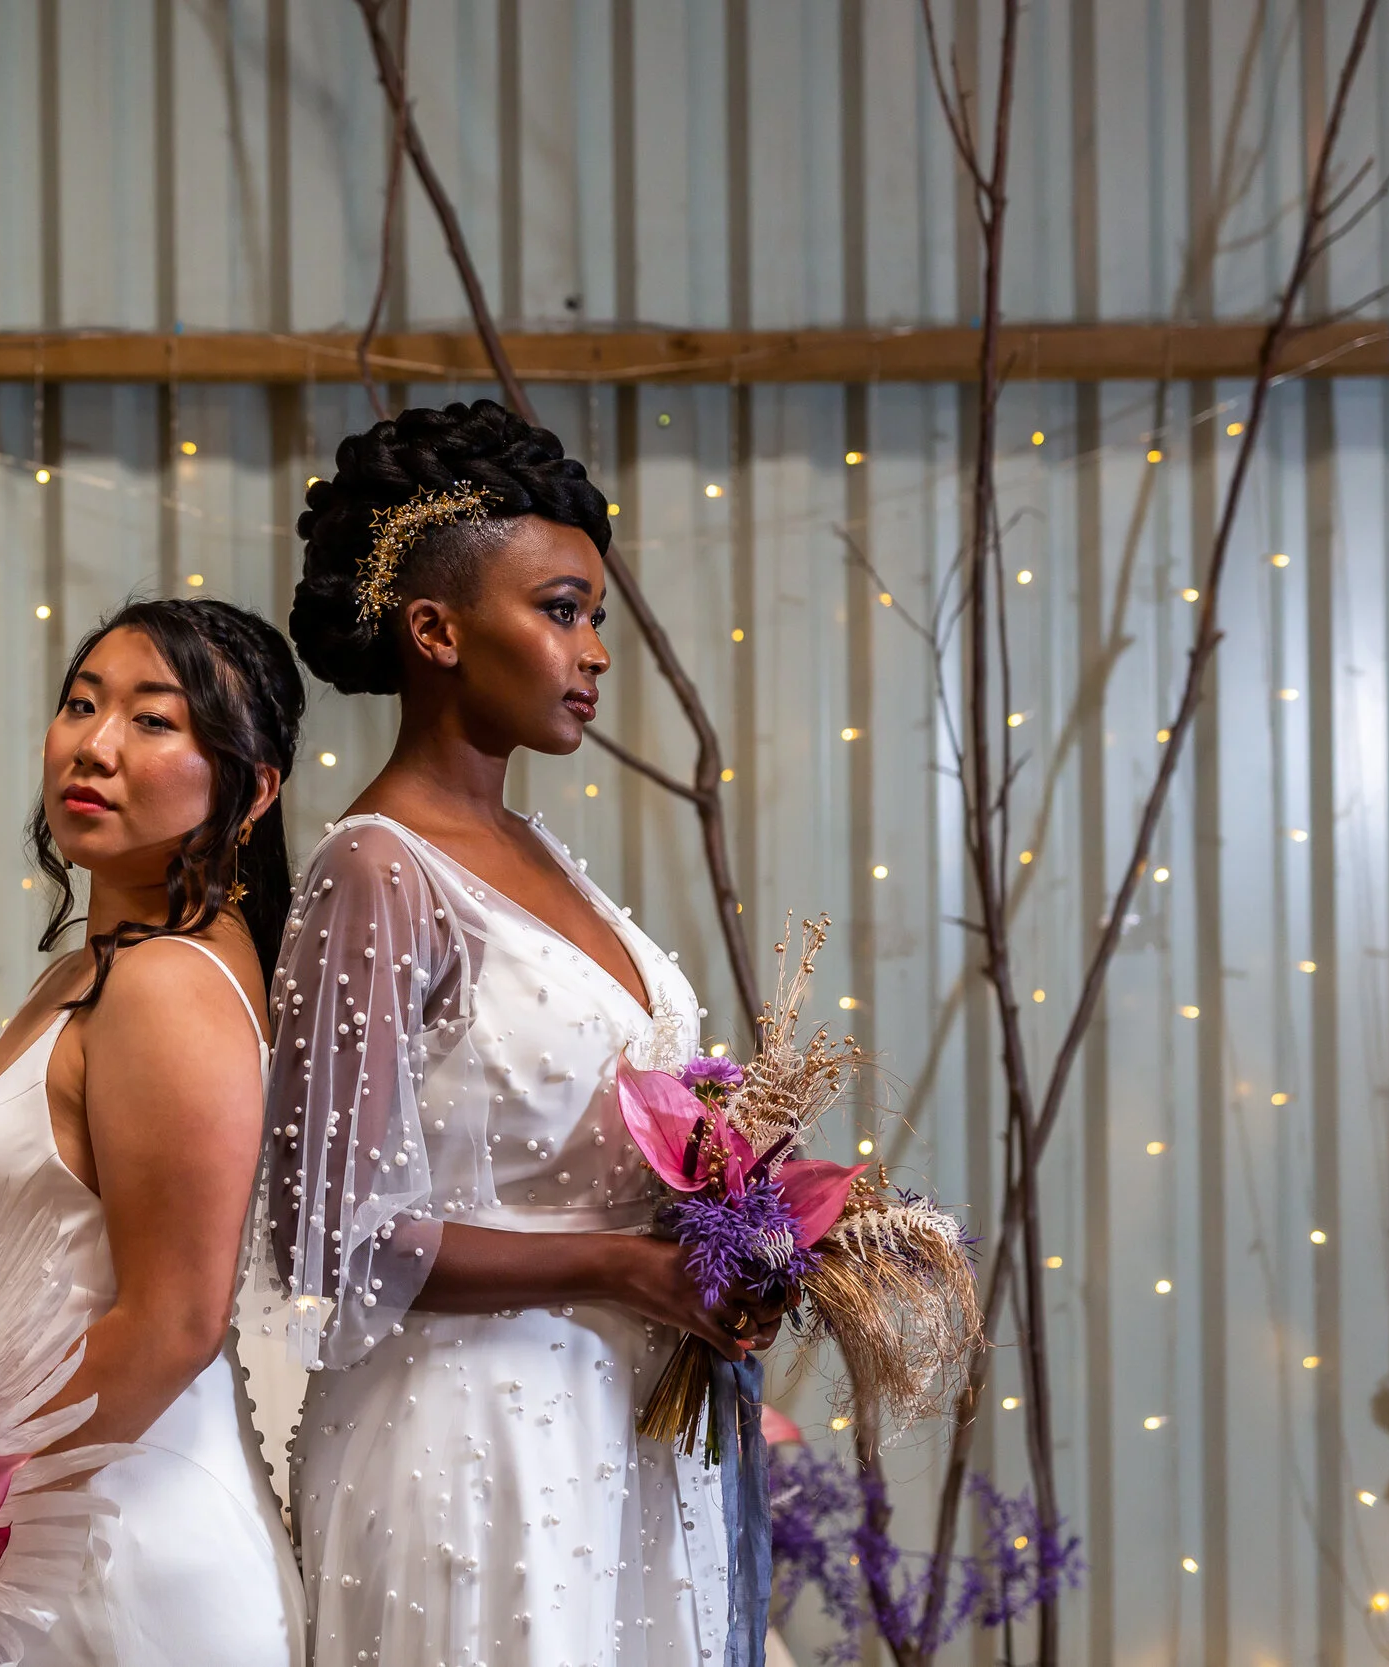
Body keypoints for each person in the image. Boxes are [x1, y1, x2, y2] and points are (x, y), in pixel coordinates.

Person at [257, 401, 787, 1665]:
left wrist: (731, 1218)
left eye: (594, 613)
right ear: (435, 628)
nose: (594, 650)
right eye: (560, 609)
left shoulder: (540, 853)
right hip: (473, 1451)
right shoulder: (376, 871)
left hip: (622, 1433)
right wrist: (618, 1267)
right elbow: (328, 1237)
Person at [0, 598, 306, 1666]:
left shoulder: (164, 984)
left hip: (123, 1561)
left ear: (254, 787)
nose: (93, 746)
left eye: (154, 720)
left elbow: (172, 1322)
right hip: (58, 1532)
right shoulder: (94, 971)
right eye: (80, 704)